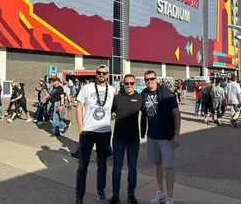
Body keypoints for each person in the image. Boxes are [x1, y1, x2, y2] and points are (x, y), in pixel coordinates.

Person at [75, 64, 115, 204]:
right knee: (82, 166)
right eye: (99, 73)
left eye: (104, 73)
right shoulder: (86, 88)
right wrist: (81, 129)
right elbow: (79, 108)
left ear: (108, 75)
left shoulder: (112, 90)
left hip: (104, 132)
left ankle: (101, 193)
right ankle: (79, 197)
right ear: (96, 74)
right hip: (88, 132)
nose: (102, 75)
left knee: (102, 165)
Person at [141, 70, 181, 204]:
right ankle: (160, 193)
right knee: (157, 164)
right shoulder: (144, 94)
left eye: (152, 79)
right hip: (152, 136)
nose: (149, 82)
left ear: (156, 79)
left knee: (168, 166)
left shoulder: (167, 94)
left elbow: (176, 114)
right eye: (147, 80)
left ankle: (170, 197)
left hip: (166, 137)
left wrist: (176, 135)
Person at [110, 74, 142, 204]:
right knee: (116, 169)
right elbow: (107, 112)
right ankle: (115, 195)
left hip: (133, 139)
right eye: (126, 83)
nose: (129, 86)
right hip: (118, 138)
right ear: (123, 84)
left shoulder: (140, 98)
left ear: (135, 84)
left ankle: (131, 194)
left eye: (131, 83)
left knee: (132, 169)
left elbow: (146, 116)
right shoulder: (117, 98)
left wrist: (144, 132)